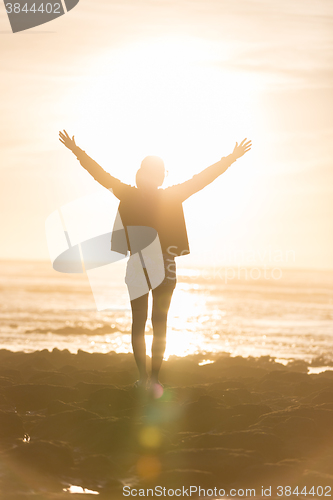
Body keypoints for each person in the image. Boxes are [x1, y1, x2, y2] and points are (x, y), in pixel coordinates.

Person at [59, 130, 251, 390]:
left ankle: (145, 378)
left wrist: (76, 150)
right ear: (157, 175)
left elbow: (99, 174)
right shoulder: (168, 195)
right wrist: (232, 158)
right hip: (162, 264)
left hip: (142, 264)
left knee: (141, 323)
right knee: (157, 324)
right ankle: (152, 379)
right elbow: (202, 179)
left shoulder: (129, 194)